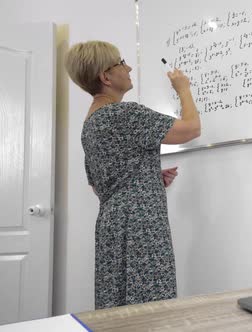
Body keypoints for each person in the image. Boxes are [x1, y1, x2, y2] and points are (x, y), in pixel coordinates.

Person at [65, 40, 200, 309]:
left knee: (117, 304)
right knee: (149, 306)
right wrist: (183, 89)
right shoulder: (125, 113)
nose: (127, 67)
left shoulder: (90, 123)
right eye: (120, 63)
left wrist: (147, 177)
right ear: (106, 76)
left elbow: (99, 184)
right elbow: (191, 128)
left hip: (111, 225)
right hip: (141, 225)